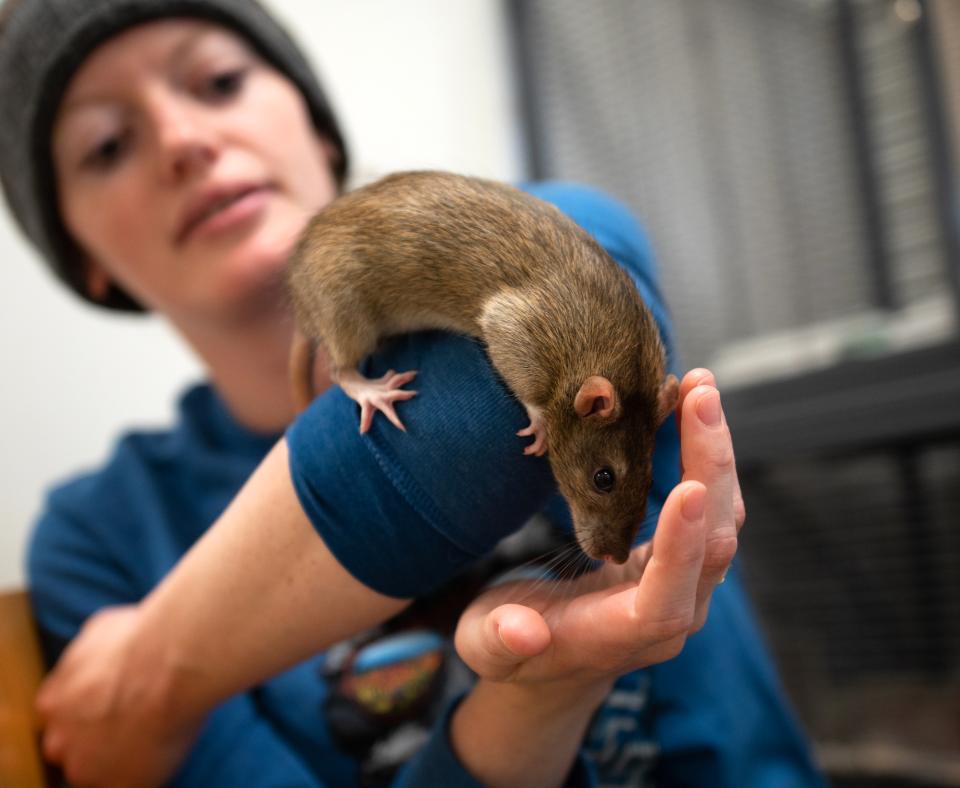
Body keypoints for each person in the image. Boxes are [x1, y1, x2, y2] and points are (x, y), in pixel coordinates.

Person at [0, 0, 825, 786]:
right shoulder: (97, 543)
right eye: (107, 145)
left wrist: (155, 668)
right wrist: (533, 702)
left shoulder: (572, 248)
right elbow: (455, 436)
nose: (183, 140)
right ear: (82, 259)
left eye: (219, 83)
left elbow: (476, 421)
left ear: (319, 130)